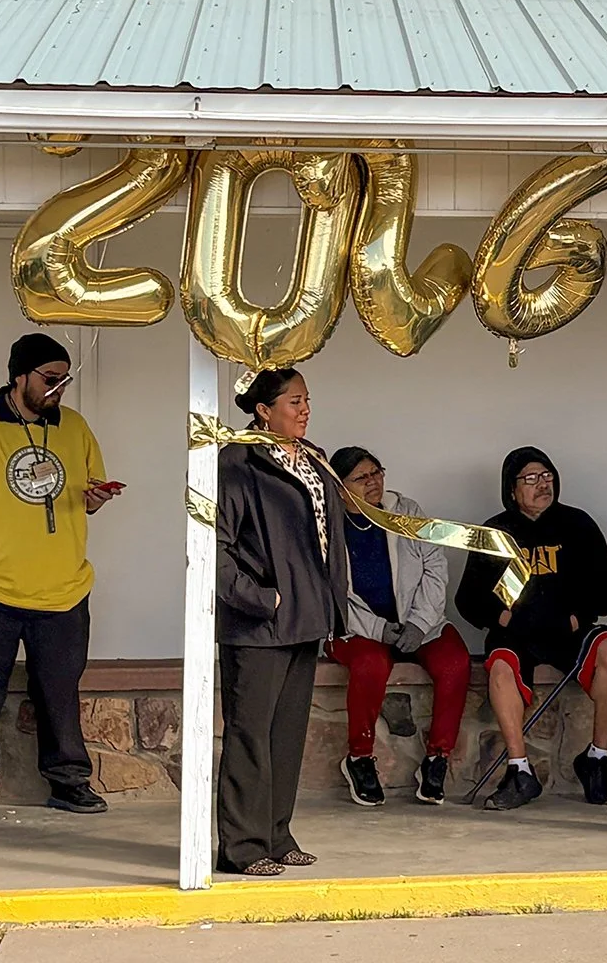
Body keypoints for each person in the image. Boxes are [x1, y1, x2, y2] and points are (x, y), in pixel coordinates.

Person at [0, 333, 121, 818]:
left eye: (65, 381)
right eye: (50, 379)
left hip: (63, 589)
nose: (58, 389)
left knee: (59, 690)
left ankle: (68, 780)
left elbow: (85, 491)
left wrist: (94, 499)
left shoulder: (74, 427)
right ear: (20, 376)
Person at [215, 369, 348, 877]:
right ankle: (242, 848)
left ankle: (276, 834)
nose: (305, 409)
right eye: (294, 401)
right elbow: (217, 544)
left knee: (286, 734)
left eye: (307, 399)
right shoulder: (237, 461)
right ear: (263, 410)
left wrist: (330, 602)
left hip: (305, 617)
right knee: (250, 735)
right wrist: (259, 599)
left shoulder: (314, 457)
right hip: (259, 622)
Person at [455, 447, 607, 811]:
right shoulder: (495, 532)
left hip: (567, 631)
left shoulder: (578, 525)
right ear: (512, 489)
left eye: (546, 476)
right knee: (500, 667)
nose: (541, 485)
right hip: (515, 634)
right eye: (530, 479)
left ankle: (597, 759)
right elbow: (467, 599)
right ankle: (520, 772)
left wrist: (576, 617)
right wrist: (502, 617)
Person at [325, 446, 469, 807]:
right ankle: (359, 758)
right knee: (371, 664)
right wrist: (380, 630)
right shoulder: (327, 526)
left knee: (455, 663)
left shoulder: (407, 512)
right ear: (340, 488)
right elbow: (331, 593)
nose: (373, 482)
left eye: (377, 472)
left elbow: (436, 568)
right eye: (361, 477)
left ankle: (438, 758)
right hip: (356, 629)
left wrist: (419, 624)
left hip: (418, 622)